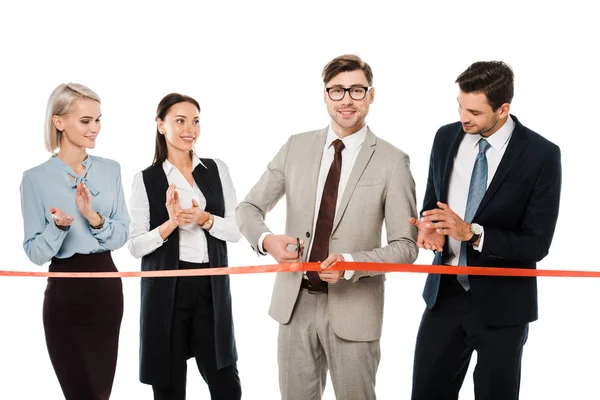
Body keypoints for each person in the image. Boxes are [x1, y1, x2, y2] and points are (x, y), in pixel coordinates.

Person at [236, 54, 418, 400]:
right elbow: (248, 208)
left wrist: (351, 263)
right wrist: (265, 240)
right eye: (337, 90)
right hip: (294, 304)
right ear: (324, 95)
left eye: (356, 90)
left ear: (371, 95)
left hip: (355, 309)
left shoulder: (393, 161)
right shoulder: (295, 147)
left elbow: (405, 247)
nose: (346, 99)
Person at [410, 61, 562, 400]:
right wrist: (430, 228)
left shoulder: (541, 155)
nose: (464, 117)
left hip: (504, 304)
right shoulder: (446, 136)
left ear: (503, 109)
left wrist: (473, 234)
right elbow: (434, 203)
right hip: (444, 294)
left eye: (474, 112)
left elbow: (536, 244)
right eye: (460, 105)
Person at [128, 93, 242, 400]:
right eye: (180, 120)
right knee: (168, 389)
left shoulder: (217, 169)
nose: (189, 128)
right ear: (161, 126)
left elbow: (235, 230)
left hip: (210, 289)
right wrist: (170, 223)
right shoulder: (146, 179)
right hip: (166, 293)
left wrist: (205, 218)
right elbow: (135, 246)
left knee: (227, 386)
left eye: (195, 121)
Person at [20, 83, 130, 400]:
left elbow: (121, 234)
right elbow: (34, 253)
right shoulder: (35, 179)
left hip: (107, 291)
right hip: (64, 295)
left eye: (97, 120)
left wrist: (93, 218)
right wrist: (58, 228)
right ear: (59, 122)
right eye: (85, 121)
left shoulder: (111, 170)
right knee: (80, 393)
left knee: (100, 393)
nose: (94, 128)